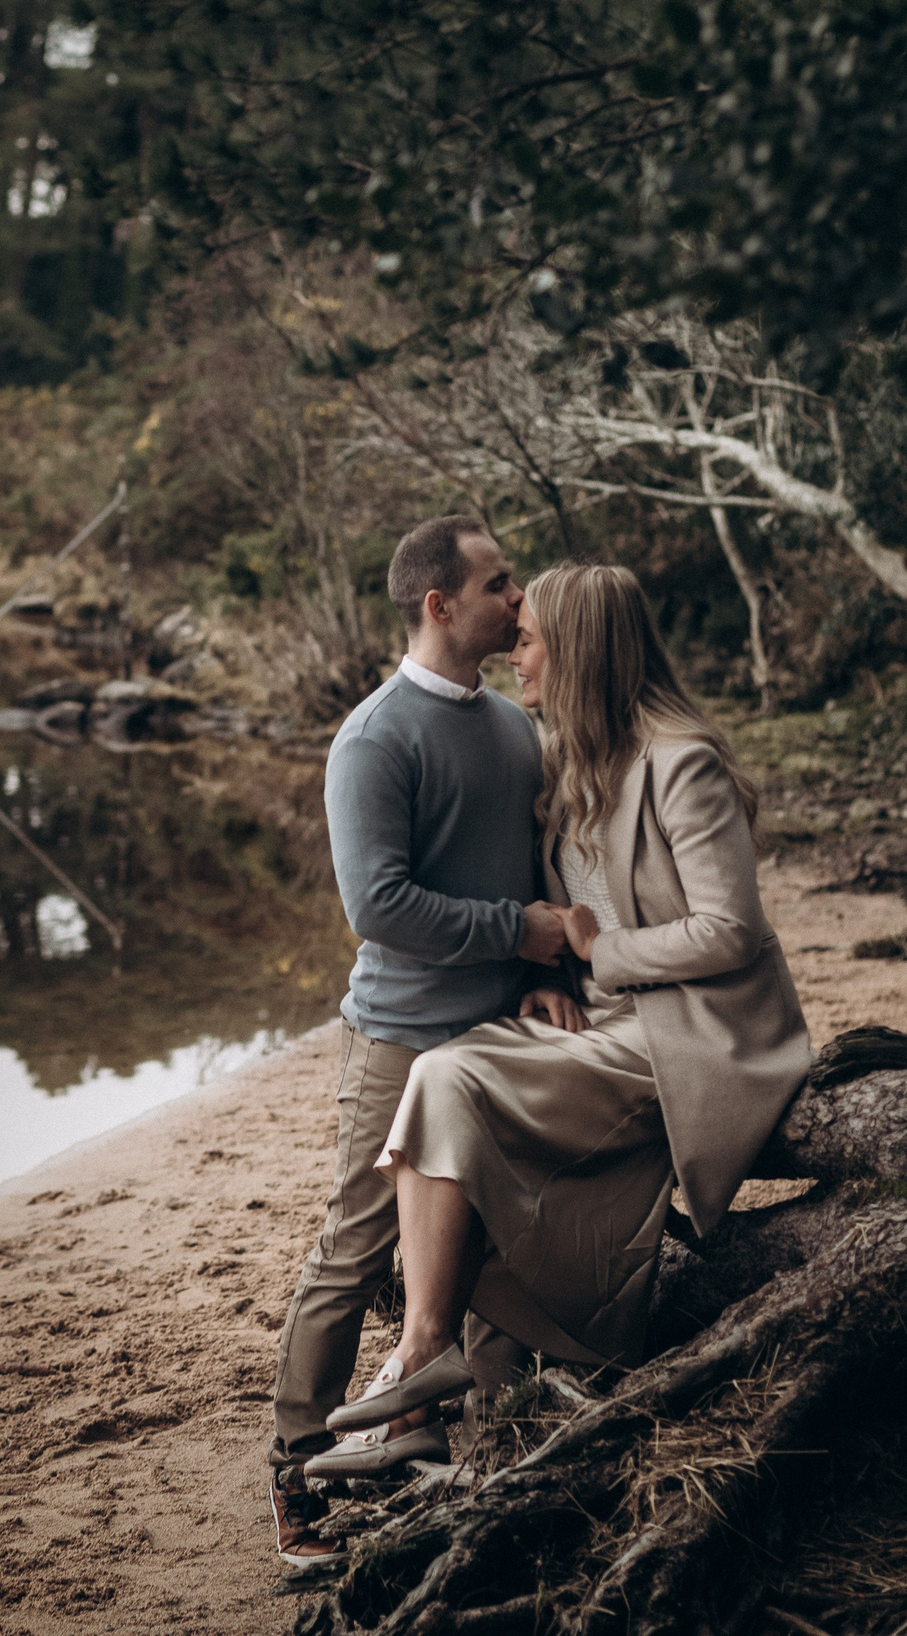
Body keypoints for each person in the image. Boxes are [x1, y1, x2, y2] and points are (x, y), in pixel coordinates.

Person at [308, 563, 813, 1459]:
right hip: (608, 1022)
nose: (515, 653)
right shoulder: (570, 760)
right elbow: (553, 901)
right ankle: (424, 1381)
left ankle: (419, 1360)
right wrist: (556, 980)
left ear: (579, 652)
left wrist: (595, 954)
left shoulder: (679, 762)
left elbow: (731, 931)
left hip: (690, 1032)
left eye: (530, 638)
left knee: (452, 1075)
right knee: (446, 1074)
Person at [268, 516, 572, 1572]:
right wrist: (516, 932)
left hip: (497, 1035)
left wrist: (540, 970)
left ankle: (458, 1449)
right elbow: (378, 907)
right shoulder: (373, 738)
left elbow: (541, 872)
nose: (515, 597)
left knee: (493, 1245)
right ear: (439, 607)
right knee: (353, 1251)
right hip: (399, 1035)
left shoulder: (512, 729)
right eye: (497, 583)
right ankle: (297, 1470)